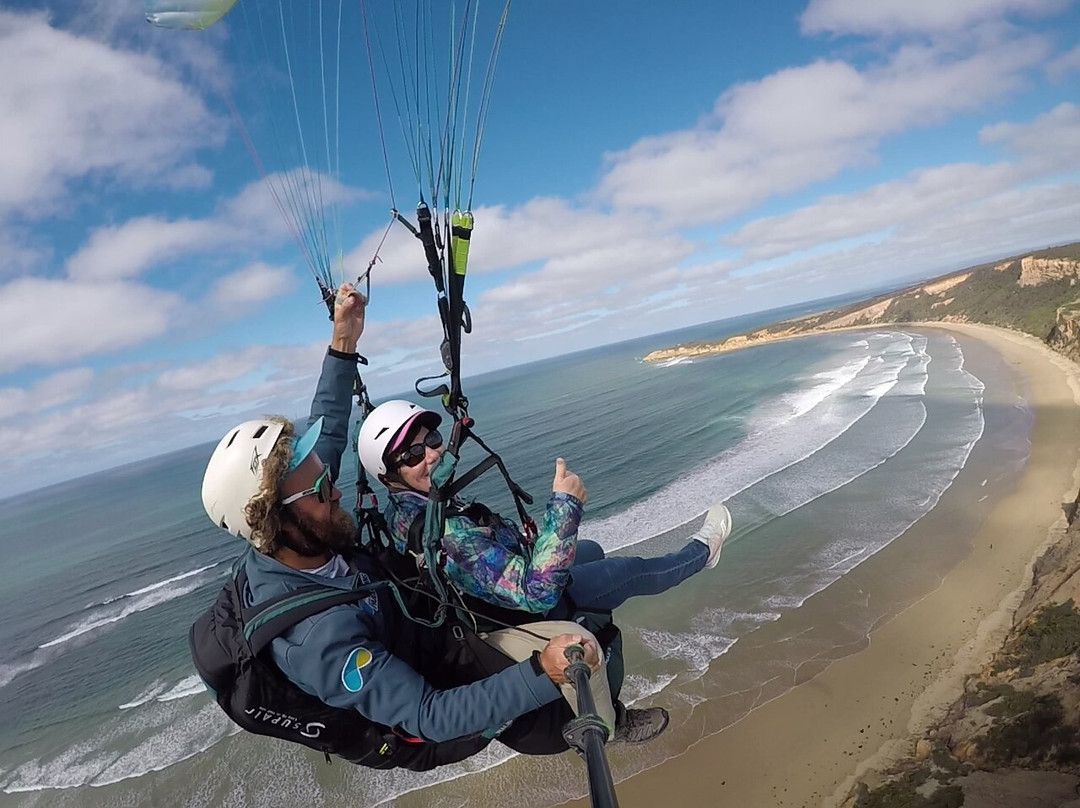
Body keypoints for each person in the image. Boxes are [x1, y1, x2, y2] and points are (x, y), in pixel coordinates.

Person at [200, 283, 612, 759]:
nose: (335, 490)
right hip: (437, 695)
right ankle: (611, 724)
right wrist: (543, 670)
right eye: (319, 490)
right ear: (276, 522)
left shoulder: (302, 525)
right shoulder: (318, 640)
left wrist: (343, 342)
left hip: (418, 613)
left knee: (592, 556)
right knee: (582, 637)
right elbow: (430, 716)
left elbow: (329, 427)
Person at [356, 402, 733, 618]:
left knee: (593, 551)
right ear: (388, 476)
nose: (435, 453)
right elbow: (536, 593)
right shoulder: (448, 537)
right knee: (632, 570)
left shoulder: (407, 507)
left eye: (433, 440)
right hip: (533, 609)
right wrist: (566, 506)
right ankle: (704, 551)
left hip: (509, 571)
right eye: (415, 454)